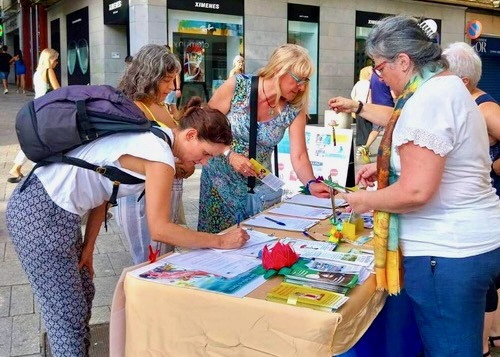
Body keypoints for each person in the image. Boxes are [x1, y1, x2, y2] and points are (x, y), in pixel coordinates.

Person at [6, 44, 249, 357]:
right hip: (40, 213)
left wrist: (89, 247)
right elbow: (160, 229)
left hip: (54, 212)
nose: (202, 164)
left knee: (84, 292)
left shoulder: (153, 139)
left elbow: (104, 191)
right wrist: (219, 241)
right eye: (205, 155)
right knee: (65, 314)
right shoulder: (159, 153)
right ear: (189, 135)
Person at [328, 15, 500, 356]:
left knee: (451, 349)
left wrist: (365, 200)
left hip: (447, 252)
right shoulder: (445, 87)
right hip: (463, 246)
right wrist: (383, 175)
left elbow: (417, 191)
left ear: (403, 61)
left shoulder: (430, 98)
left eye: (380, 67)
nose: (380, 75)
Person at [198, 44, 331, 233]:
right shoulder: (238, 86)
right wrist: (229, 154)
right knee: (215, 246)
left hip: (257, 191)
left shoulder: (293, 108)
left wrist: (311, 183)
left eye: (305, 81)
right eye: (298, 80)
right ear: (278, 70)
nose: (302, 87)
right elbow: (204, 125)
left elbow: (299, 155)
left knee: (254, 244)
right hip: (219, 184)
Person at [443, 41, 500, 357]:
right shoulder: (465, 106)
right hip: (480, 205)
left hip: (489, 205)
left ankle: (484, 346)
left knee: (486, 283)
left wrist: (493, 164)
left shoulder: (485, 108)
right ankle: (491, 339)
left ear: (461, 81)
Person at [115, 44, 195, 264]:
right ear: (149, 77)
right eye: (167, 80)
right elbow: (126, 159)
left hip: (166, 193)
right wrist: (178, 168)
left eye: (173, 80)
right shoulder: (134, 107)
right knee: (149, 261)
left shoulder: (158, 104)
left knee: (164, 259)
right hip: (142, 197)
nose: (171, 86)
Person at [7, 48, 61, 183]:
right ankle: (34, 169)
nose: (57, 63)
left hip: (36, 108)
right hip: (46, 109)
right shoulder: (49, 71)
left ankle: (18, 167)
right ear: (49, 60)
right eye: (55, 60)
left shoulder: (38, 72)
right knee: (41, 139)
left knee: (35, 139)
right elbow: (58, 91)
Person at [356, 73, 394, 163]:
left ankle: (366, 147)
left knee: (376, 130)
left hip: (376, 105)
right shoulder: (385, 74)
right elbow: (393, 94)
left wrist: (371, 105)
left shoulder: (373, 75)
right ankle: (366, 147)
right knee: (388, 129)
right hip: (387, 106)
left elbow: (370, 92)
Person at [350, 66, 372, 152]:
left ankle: (360, 145)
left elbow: (352, 95)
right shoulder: (369, 84)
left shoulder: (358, 83)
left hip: (358, 107)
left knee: (360, 128)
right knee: (368, 128)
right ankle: (365, 147)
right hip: (368, 107)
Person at [164, 44, 182, 118]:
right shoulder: (170, 62)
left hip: (170, 89)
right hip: (172, 89)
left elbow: (177, 76)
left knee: (166, 107)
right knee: (173, 107)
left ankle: (169, 123)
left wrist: (178, 89)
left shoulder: (170, 62)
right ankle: (178, 123)